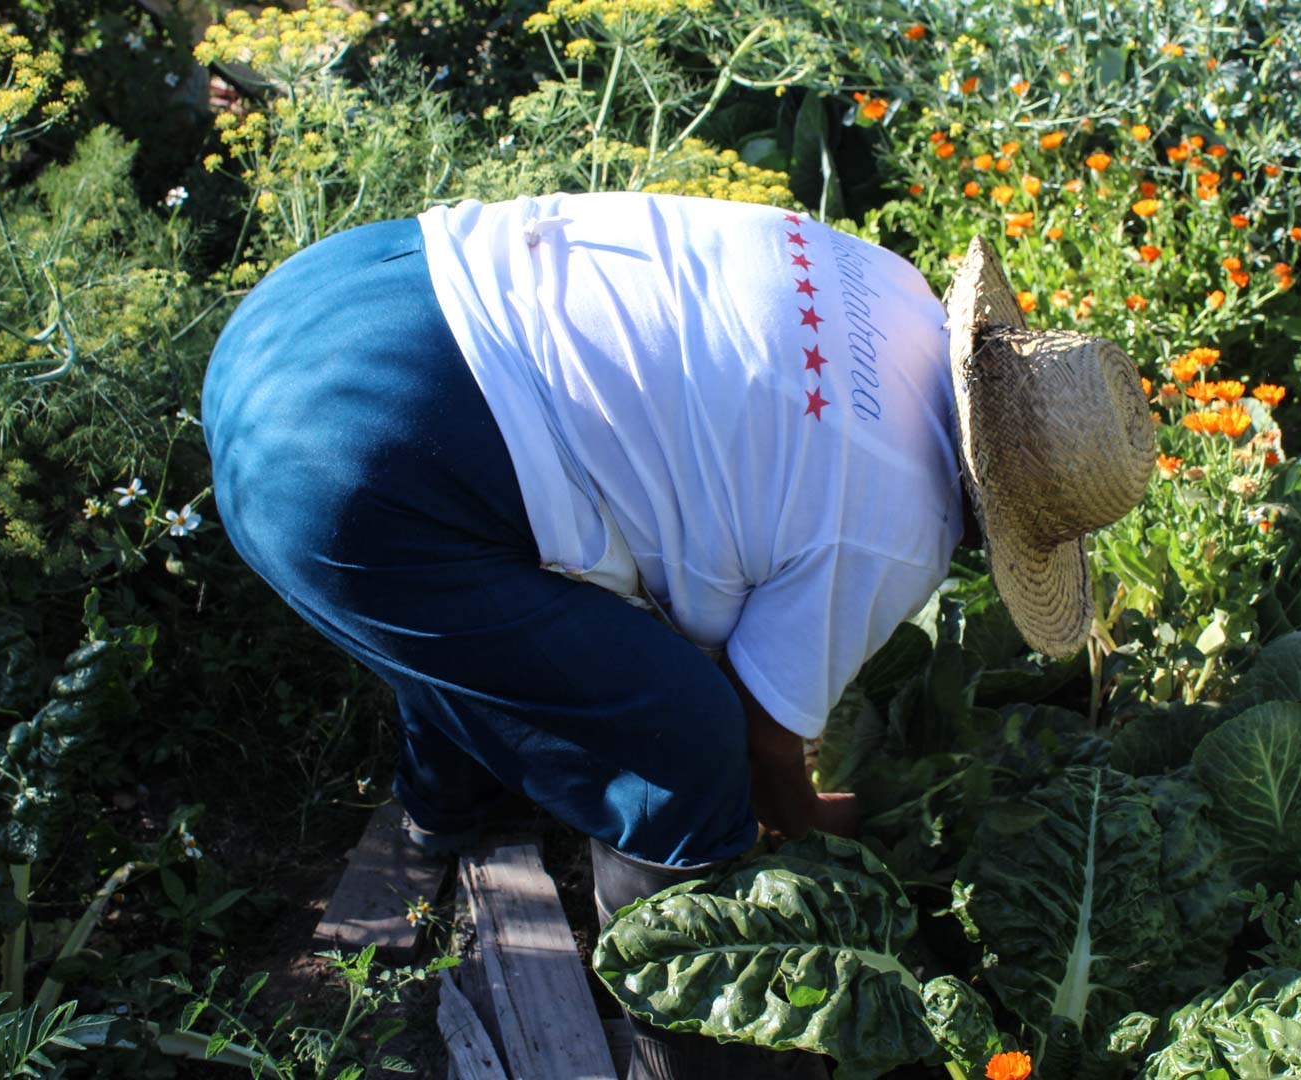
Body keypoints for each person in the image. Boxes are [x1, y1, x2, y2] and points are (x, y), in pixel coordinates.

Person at [200, 191, 1156, 1079]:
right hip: (337, 467)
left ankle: (439, 811)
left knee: (510, 618)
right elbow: (757, 729)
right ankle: (684, 1025)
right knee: (681, 743)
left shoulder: (891, 286)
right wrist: (811, 816)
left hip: (337, 298)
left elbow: (718, 476)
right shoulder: (894, 520)